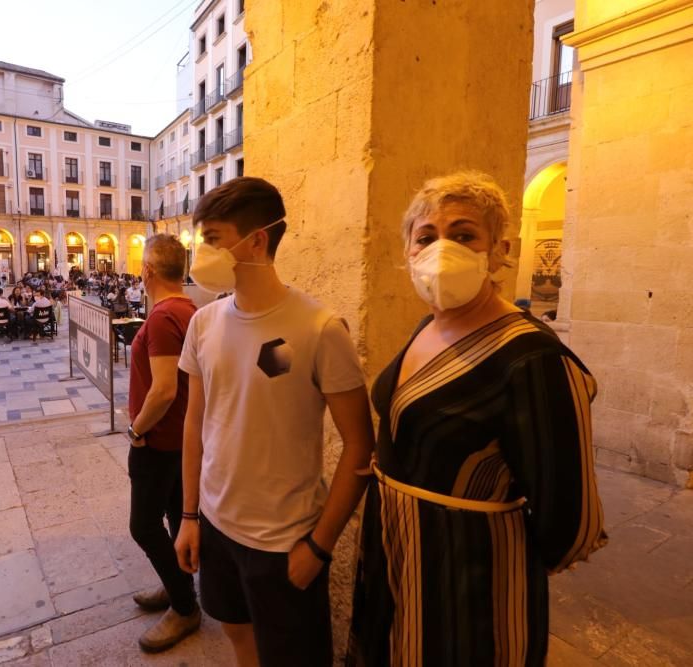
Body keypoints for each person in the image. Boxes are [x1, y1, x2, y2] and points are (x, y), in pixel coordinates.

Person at [346, 172, 606, 666]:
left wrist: (491, 555)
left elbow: (569, 517)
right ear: (408, 252)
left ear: (498, 249)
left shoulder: (531, 356)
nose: (442, 248)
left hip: (467, 574)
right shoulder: (428, 326)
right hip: (393, 549)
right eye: (426, 237)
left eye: (463, 235)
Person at [174, 177, 373, 667]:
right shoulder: (204, 322)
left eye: (214, 238)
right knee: (239, 637)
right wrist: (189, 515)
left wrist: (319, 547)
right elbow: (195, 423)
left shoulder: (319, 328)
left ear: (257, 239)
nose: (202, 252)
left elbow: (360, 445)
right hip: (217, 528)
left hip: (285, 542)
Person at [126, 234, 201, 653]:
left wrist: (137, 429)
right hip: (180, 440)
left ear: (149, 270)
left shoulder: (162, 317)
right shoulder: (191, 311)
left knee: (143, 525)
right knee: (175, 519)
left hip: (157, 441)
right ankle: (178, 588)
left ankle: (186, 607)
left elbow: (165, 389)